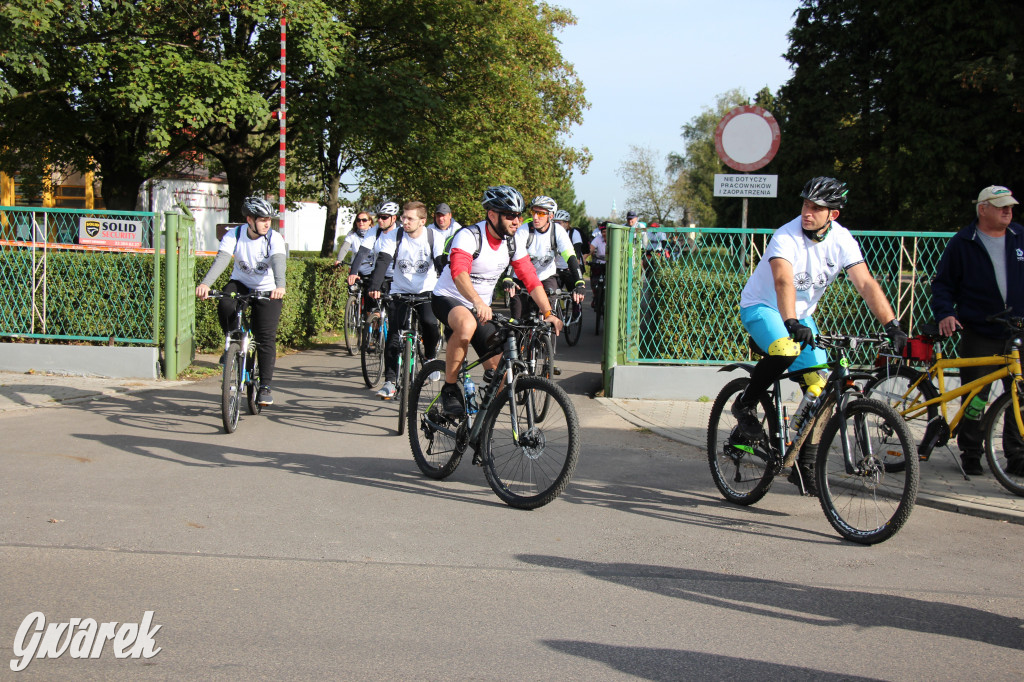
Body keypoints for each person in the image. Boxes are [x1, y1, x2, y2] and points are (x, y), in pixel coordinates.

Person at [731, 176, 908, 494]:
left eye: (816, 208)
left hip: (801, 317)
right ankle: (745, 403)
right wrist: (791, 321)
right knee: (786, 350)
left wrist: (891, 324)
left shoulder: (842, 240)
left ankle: (804, 463)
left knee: (820, 386)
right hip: (764, 308)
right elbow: (783, 280)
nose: (807, 212)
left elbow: (865, 283)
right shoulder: (786, 235)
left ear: (833, 215)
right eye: (805, 204)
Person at [431, 185, 563, 417]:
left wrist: (547, 311)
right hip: (449, 298)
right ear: (492, 215)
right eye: (510, 215)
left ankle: (483, 429)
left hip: (480, 308)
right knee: (466, 324)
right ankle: (450, 389)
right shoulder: (469, 236)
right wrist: (477, 301)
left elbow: (530, 278)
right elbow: (459, 273)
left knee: (502, 373)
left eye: (519, 215)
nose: (517, 220)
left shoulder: (512, 242)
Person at [931, 185, 1024, 476]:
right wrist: (946, 313)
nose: (1008, 211)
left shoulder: (1020, 236)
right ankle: (971, 450)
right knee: (977, 394)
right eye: (1001, 206)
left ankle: (1017, 454)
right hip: (981, 329)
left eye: (1010, 206)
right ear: (982, 209)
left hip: (1017, 328)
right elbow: (943, 284)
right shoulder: (963, 241)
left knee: (1020, 393)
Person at [196, 196, 287, 406]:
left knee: (265, 338)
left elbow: (278, 261)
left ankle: (264, 387)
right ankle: (233, 342)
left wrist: (280, 286)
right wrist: (206, 284)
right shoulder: (234, 235)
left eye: (269, 219)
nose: (267, 223)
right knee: (225, 303)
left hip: (268, 289)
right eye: (262, 219)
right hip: (241, 283)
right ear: (249, 219)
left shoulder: (274, 238)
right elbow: (222, 259)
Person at [368, 201, 444, 400]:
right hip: (400, 291)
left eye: (410, 218)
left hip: (425, 290)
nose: (405, 221)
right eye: (403, 217)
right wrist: (375, 286)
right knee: (394, 333)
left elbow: (439, 263)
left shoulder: (433, 236)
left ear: (422, 221)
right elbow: (384, 260)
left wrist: (448, 284)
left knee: (429, 323)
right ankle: (390, 382)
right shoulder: (395, 235)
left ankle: (429, 358)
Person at [503, 196, 585, 320]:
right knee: (517, 321)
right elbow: (514, 255)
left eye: (540, 213)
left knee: (549, 319)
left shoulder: (558, 231)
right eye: (533, 212)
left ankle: (547, 337)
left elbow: (570, 257)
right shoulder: (524, 230)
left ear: (550, 216)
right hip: (521, 278)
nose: (535, 217)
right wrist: (508, 277)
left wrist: (579, 282)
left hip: (546, 277)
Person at [589, 222, 608, 309]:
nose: (605, 234)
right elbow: (590, 249)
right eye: (603, 232)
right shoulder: (598, 239)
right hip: (599, 262)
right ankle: (595, 296)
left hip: (610, 264)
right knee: (594, 280)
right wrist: (584, 258)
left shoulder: (616, 239)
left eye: (606, 231)